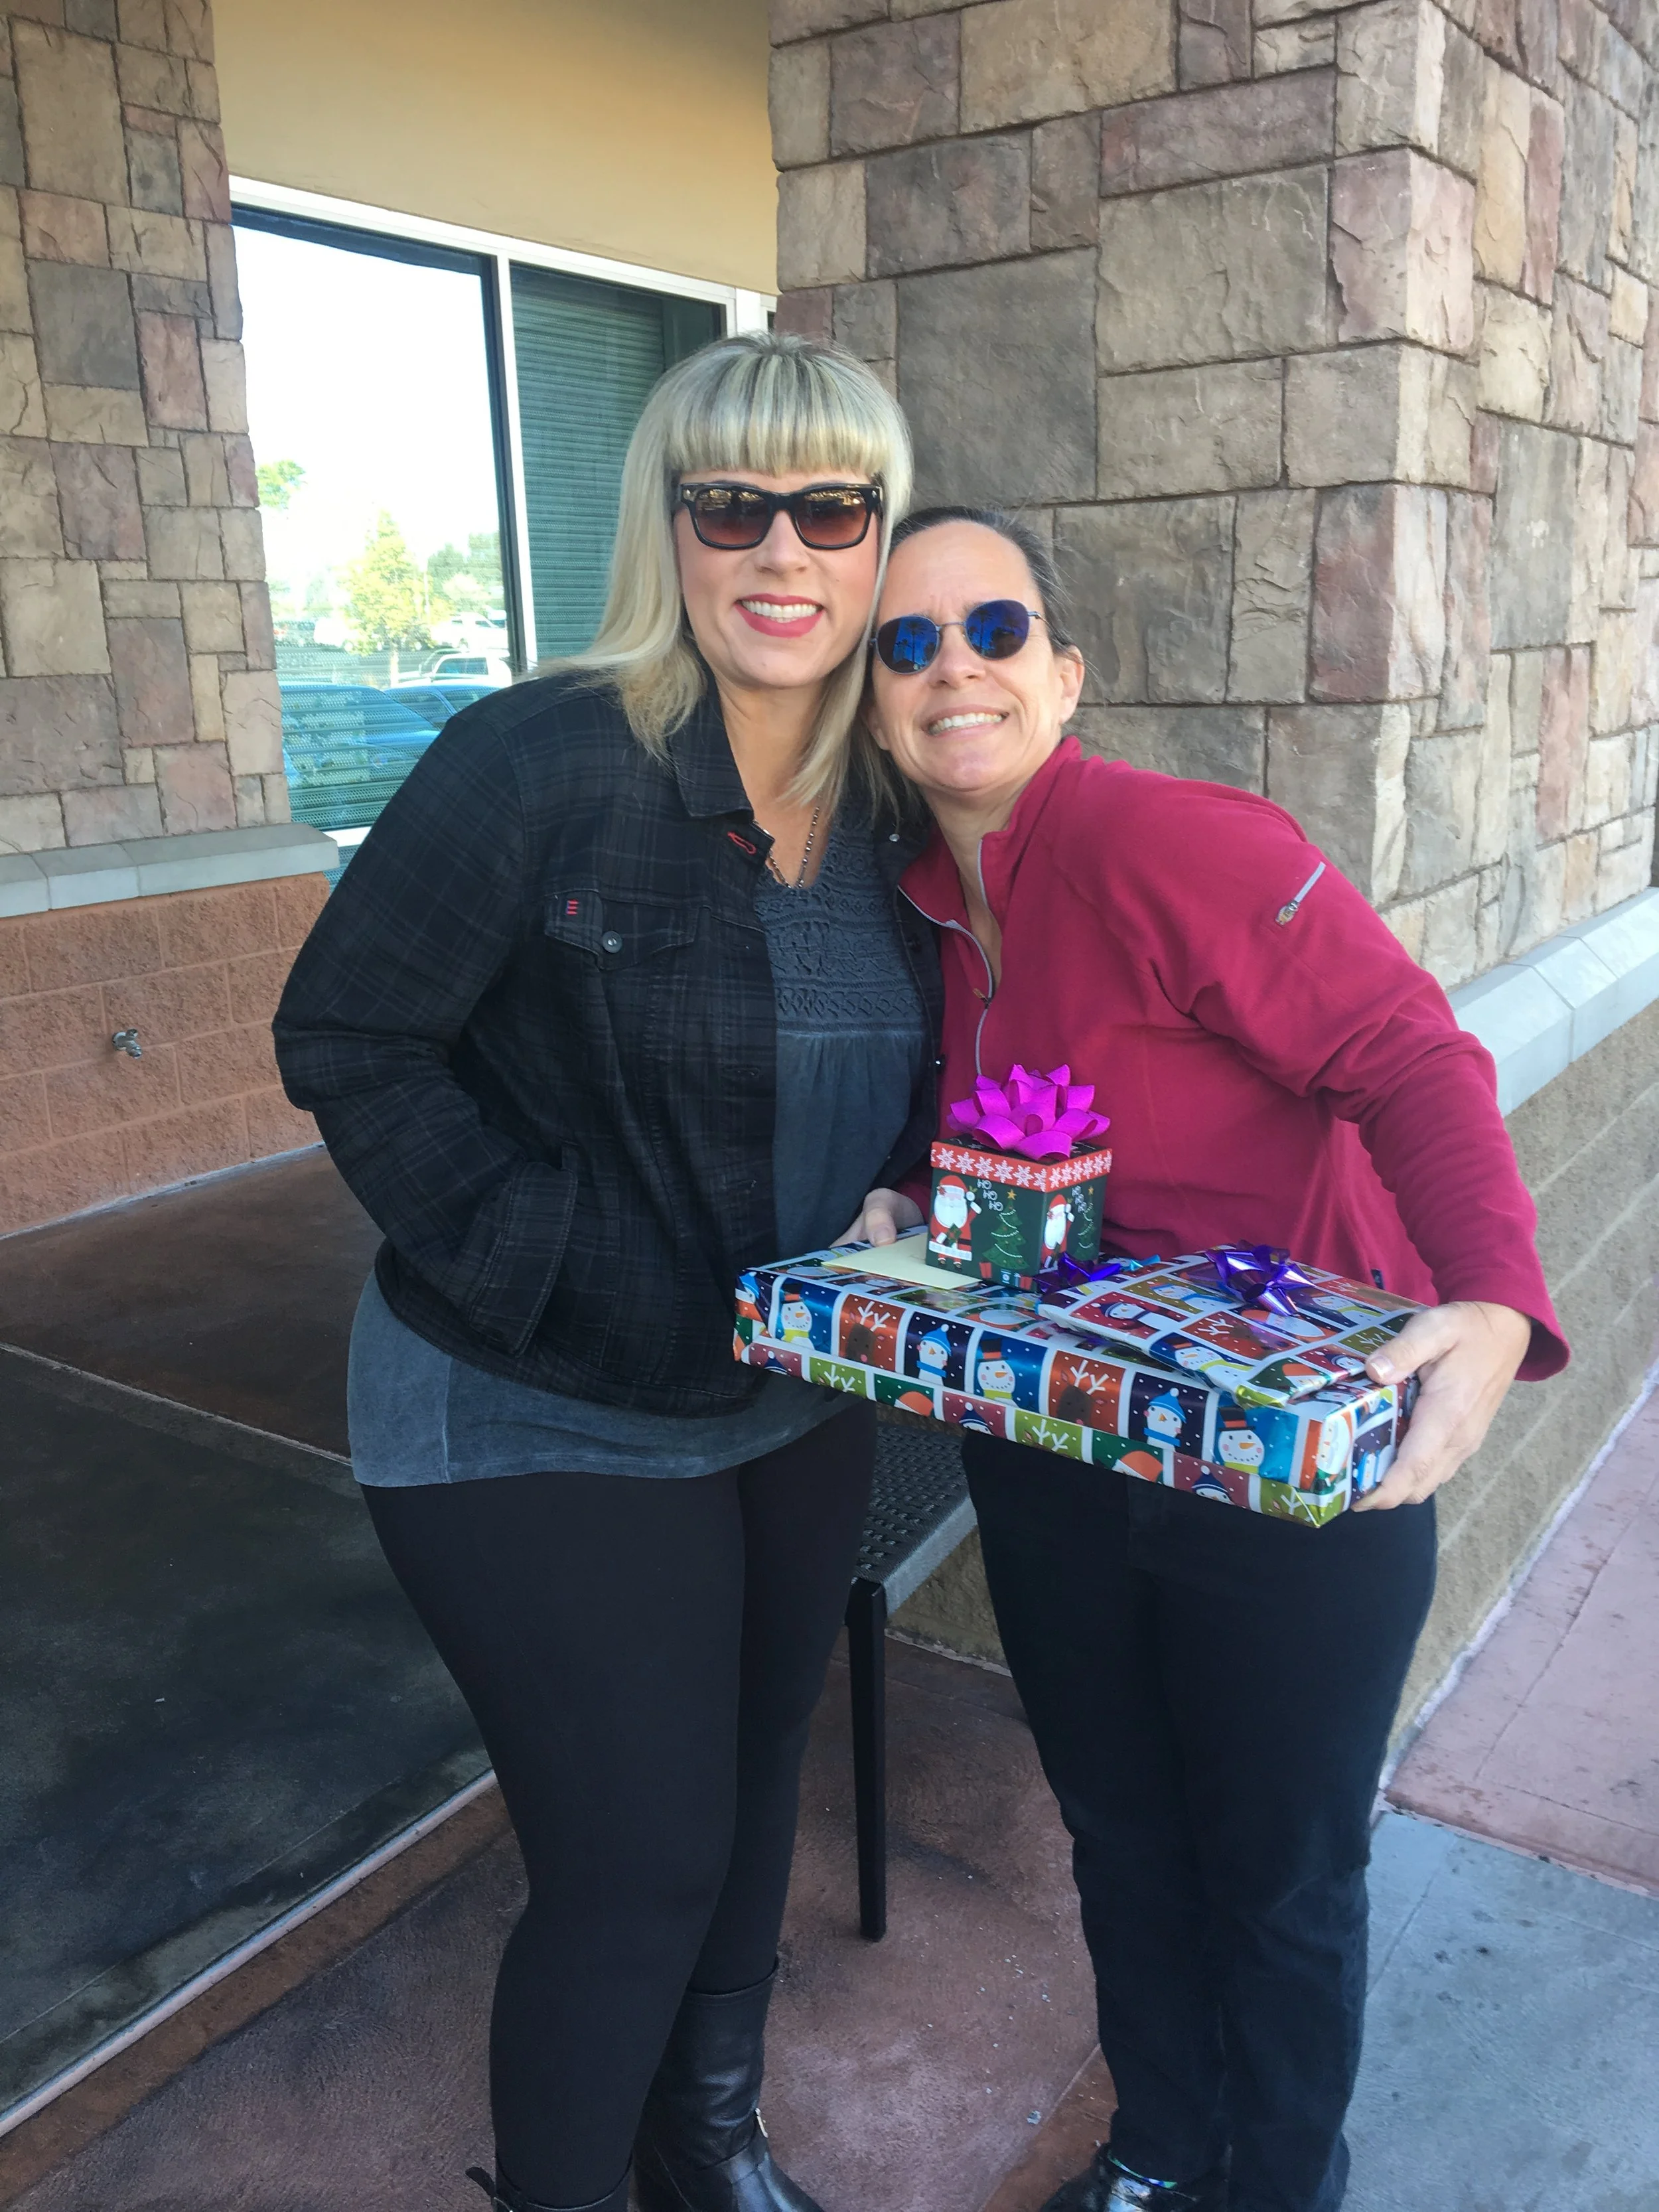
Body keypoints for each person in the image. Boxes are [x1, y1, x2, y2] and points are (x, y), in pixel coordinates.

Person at [272, 334, 939, 2212]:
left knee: (745, 1798)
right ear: (670, 529)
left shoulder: (892, 801)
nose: (781, 549)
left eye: (832, 504)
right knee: (637, 1855)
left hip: (790, 1393)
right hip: (525, 1392)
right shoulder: (541, 760)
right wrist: (579, 1272)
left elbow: (922, 1061)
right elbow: (351, 1039)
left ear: (880, 532)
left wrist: (903, 1191)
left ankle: (705, 2140)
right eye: (731, 504)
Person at [859, 506, 1569, 2212]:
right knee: (1118, 1834)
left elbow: (1406, 1052)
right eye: (904, 643)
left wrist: (1488, 1294)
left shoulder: (1177, 843)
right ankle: (1159, 2153)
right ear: (872, 701)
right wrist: (901, 1190)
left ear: (1064, 669)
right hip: (1060, 1456)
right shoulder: (910, 912)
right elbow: (998, 1152)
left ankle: (1277, 2187)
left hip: (1284, 1470)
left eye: (993, 629)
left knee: (1281, 1877)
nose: (952, 666)